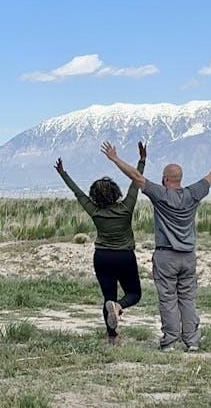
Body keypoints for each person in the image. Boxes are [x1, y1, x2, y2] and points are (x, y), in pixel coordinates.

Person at [102, 141, 211, 352]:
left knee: (168, 300)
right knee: (188, 299)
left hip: (166, 256)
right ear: (180, 179)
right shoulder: (194, 193)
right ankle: (192, 341)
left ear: (166, 179)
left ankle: (169, 341)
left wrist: (114, 158)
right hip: (188, 256)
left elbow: (136, 177)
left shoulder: (161, 194)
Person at [54, 142, 147, 345]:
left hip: (102, 256)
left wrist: (63, 173)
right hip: (124, 255)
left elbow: (77, 193)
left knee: (108, 297)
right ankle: (120, 307)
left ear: (94, 196)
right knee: (134, 294)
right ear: (115, 193)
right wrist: (141, 161)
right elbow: (135, 183)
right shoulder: (126, 208)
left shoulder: (94, 211)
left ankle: (112, 337)